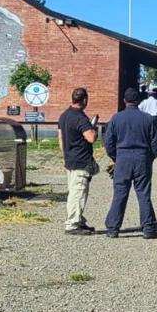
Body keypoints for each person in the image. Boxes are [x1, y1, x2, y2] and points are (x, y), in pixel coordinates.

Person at [104, 87, 157, 239]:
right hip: (142, 157)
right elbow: (155, 144)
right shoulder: (148, 118)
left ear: (124, 101)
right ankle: (148, 228)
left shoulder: (116, 118)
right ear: (138, 101)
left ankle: (113, 228)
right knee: (143, 193)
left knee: (120, 193)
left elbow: (108, 141)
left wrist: (114, 157)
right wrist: (149, 158)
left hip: (122, 157)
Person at [57, 87, 99, 236]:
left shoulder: (64, 116)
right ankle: (72, 224)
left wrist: (64, 156)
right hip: (81, 160)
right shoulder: (81, 118)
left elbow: (60, 138)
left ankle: (79, 219)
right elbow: (91, 138)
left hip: (70, 159)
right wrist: (94, 130)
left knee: (74, 191)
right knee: (78, 192)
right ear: (85, 100)